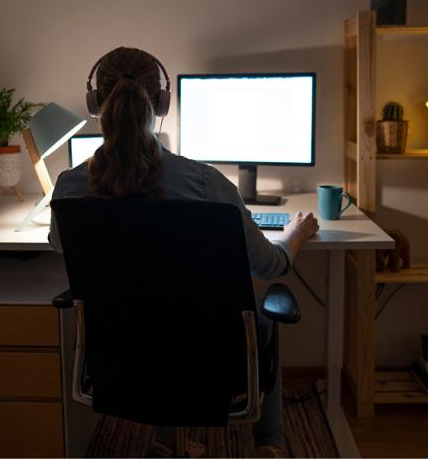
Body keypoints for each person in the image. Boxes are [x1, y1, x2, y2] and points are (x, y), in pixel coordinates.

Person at [49, 47, 318, 458]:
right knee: (259, 317)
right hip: (209, 366)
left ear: (93, 104)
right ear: (161, 103)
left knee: (147, 309)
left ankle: (164, 437)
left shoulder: (69, 187)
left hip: (121, 365)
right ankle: (270, 444)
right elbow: (270, 264)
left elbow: (57, 243)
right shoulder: (208, 185)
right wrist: (296, 233)